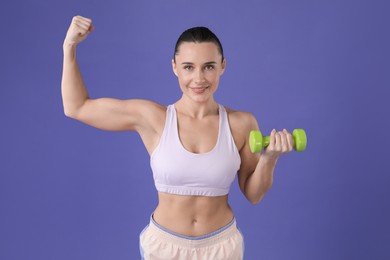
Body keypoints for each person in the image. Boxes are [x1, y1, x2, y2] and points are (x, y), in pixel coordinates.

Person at [62, 15, 294, 260]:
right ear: (174, 67)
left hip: (221, 247)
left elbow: (254, 194)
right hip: (164, 247)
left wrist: (269, 159)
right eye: (188, 67)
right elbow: (76, 107)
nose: (199, 79)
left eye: (209, 66)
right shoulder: (152, 118)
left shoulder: (242, 124)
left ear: (223, 66)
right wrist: (69, 48)